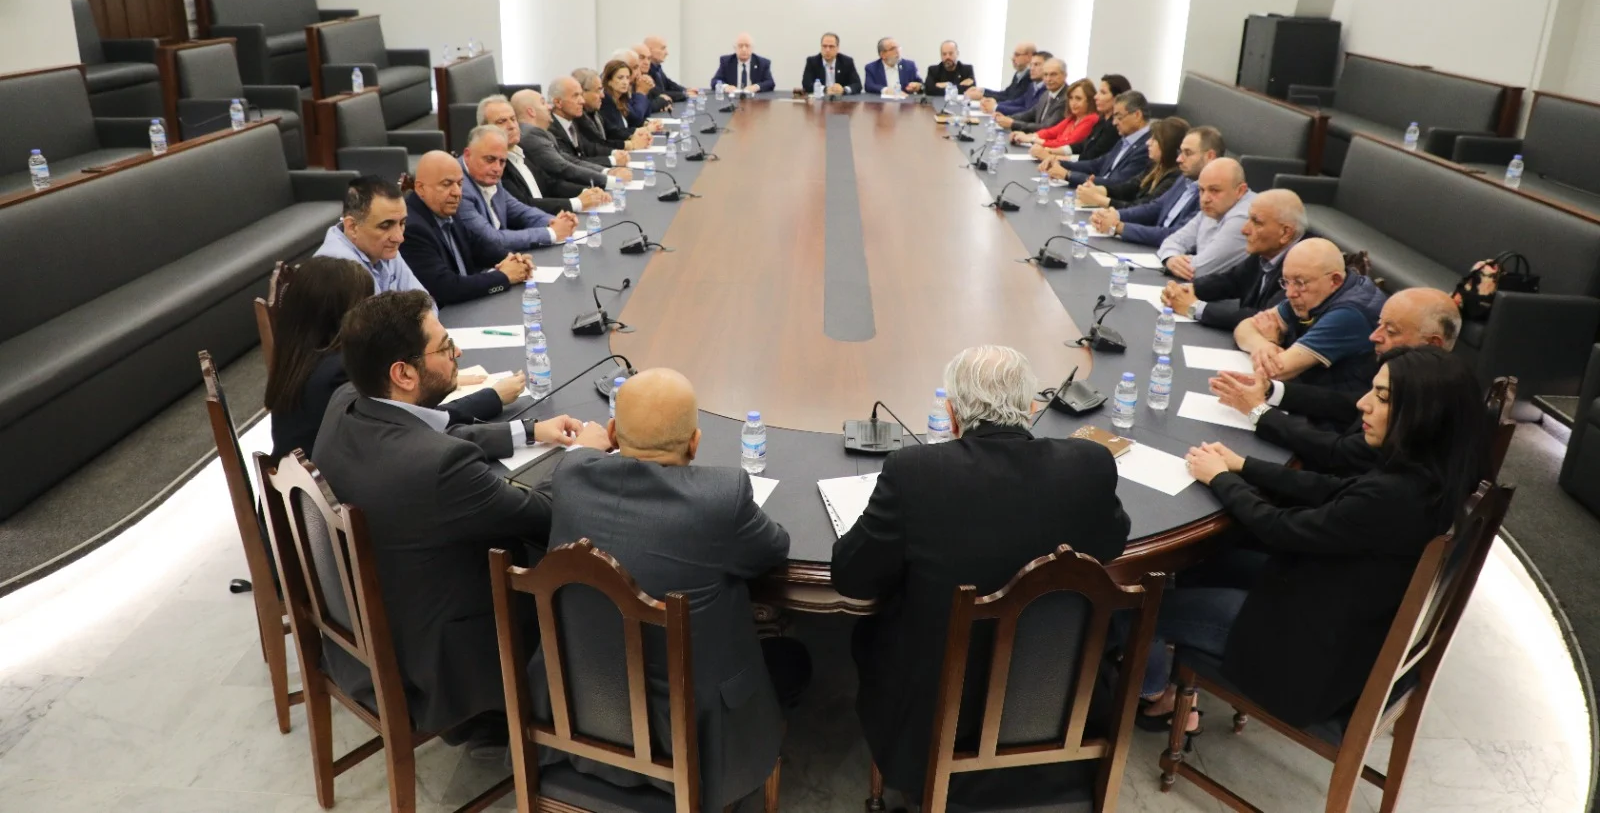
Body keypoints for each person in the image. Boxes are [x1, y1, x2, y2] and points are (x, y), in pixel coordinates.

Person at [1138, 346, 1487, 735]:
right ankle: (1169, 686)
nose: (1363, 404)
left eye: (1383, 397)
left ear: (1425, 415)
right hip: (1335, 614)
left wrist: (1221, 478)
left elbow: (1279, 527)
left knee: (1138, 605)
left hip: (1299, 653)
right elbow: (1331, 488)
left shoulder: (1394, 495)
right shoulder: (1432, 475)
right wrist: (1243, 466)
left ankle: (1147, 690)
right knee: (1205, 562)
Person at [309, 291, 606, 743]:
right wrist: (582, 455)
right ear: (403, 373)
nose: (458, 353)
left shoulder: (347, 402)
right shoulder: (440, 469)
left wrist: (525, 430)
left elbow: (423, 433)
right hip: (443, 663)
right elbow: (545, 514)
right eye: (446, 347)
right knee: (582, 581)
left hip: (369, 626)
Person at [833, 346, 1131, 795]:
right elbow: (1111, 543)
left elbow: (852, 577)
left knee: (870, 634)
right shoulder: (1089, 464)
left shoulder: (914, 474)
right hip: (1065, 705)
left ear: (952, 416)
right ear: (1030, 407)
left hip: (932, 730)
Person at [532, 369, 804, 811]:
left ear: (613, 433)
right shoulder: (722, 496)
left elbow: (568, 469)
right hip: (697, 746)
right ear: (695, 443)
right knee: (792, 660)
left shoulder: (570, 476)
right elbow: (772, 550)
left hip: (572, 713)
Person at [265, 257, 527, 463]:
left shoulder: (297, 358)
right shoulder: (339, 374)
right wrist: (492, 397)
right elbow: (415, 429)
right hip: (341, 503)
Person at [1209, 288, 1461, 476]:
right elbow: (1345, 403)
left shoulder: (1423, 407)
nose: (1374, 336)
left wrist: (1258, 412)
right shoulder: (1413, 374)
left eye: (1391, 331)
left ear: (1432, 344)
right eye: (1379, 325)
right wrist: (1270, 390)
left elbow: (1339, 452)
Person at [1232, 237, 1388, 393]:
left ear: (1335, 280)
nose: (1290, 293)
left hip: (1337, 403)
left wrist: (1271, 340)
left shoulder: (1349, 314)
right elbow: (1244, 327)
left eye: (1300, 283)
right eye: (1286, 281)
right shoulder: (1315, 293)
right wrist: (1263, 345)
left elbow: (1276, 371)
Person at [401, 151, 533, 305]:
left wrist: (513, 259)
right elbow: (446, 288)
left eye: (459, 184)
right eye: (447, 184)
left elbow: (478, 247)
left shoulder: (446, 208)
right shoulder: (411, 228)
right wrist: (504, 276)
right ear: (420, 188)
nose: (457, 192)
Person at [1162, 188, 1305, 330]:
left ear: (1286, 233)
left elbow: (1265, 318)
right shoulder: (1267, 250)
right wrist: (1185, 290)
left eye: (1256, 222)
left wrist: (1194, 307)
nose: (1244, 230)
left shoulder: (1303, 265)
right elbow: (1231, 281)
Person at [456, 126, 579, 255]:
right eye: (490, 159)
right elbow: (490, 240)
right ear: (468, 155)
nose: (497, 168)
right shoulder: (459, 186)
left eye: (502, 161)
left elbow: (520, 211)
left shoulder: (488, 177)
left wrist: (554, 222)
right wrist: (551, 233)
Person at [478, 95, 610, 212]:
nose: (512, 125)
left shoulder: (522, 150)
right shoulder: (494, 165)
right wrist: (577, 202)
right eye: (501, 122)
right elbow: (523, 204)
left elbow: (550, 184)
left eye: (513, 119)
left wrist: (587, 192)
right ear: (484, 129)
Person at [314, 176, 428, 296]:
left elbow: (424, 301)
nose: (399, 238)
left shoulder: (383, 248)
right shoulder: (337, 272)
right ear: (352, 227)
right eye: (385, 226)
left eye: (402, 223)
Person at [513, 83, 632, 195]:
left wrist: (606, 172)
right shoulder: (530, 135)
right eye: (543, 103)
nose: (549, 107)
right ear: (531, 111)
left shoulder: (542, 133)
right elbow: (563, 168)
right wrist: (612, 181)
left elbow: (570, 160)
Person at [1157, 157, 1254, 281]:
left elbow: (1200, 270)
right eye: (1202, 190)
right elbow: (1174, 240)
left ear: (1240, 191)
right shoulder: (1216, 208)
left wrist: (1174, 261)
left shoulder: (1246, 217)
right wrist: (1170, 258)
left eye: (1214, 190)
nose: (1205, 199)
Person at [1076, 115, 1188, 222]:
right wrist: (1100, 190)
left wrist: (1100, 200)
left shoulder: (1174, 177)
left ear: (1167, 145)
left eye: (1154, 139)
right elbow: (1130, 187)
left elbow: (1142, 208)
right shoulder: (1154, 165)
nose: (1148, 143)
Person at [1046, 89, 1152, 188]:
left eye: (1119, 117)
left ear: (1137, 115)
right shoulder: (1125, 139)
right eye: (1114, 117)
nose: (1114, 122)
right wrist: (1060, 163)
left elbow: (1117, 183)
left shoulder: (1147, 146)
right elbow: (1097, 164)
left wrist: (1068, 175)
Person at [1014, 77, 1100, 153]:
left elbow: (1065, 144)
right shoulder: (1073, 118)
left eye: (1078, 98)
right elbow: (1051, 132)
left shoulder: (1091, 119)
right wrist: (1027, 136)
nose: (1073, 103)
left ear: (1090, 101)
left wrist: (1033, 139)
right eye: (1071, 98)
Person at [994, 56, 1070, 134]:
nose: (1048, 79)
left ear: (1064, 75)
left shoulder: (1067, 98)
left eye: (1053, 74)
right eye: (1045, 74)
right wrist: (1006, 118)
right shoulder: (1046, 93)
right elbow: (1030, 114)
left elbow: (1047, 127)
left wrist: (1013, 124)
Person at [1075, 75, 1133, 161]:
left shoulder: (1116, 126)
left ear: (1118, 98)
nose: (1095, 97)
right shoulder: (1101, 120)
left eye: (1103, 93)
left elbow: (1093, 156)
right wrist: (1056, 151)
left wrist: (1061, 158)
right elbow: (1084, 145)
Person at [979, 50, 1050, 117]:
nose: (1032, 68)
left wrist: (996, 107)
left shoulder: (1048, 89)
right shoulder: (1032, 86)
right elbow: (1018, 102)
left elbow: (1028, 111)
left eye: (1036, 65)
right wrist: (995, 104)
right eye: (1031, 65)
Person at [967, 40, 1035, 102]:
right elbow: (1006, 94)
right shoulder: (1019, 74)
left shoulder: (1031, 77)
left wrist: (982, 96)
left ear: (1029, 57)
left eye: (1017, 55)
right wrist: (982, 91)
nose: (1012, 58)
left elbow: (1012, 99)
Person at [644, 35, 695, 102]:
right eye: (662, 48)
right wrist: (684, 94)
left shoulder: (656, 66)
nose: (667, 53)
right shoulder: (645, 70)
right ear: (649, 50)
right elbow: (658, 93)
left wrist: (684, 90)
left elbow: (668, 82)